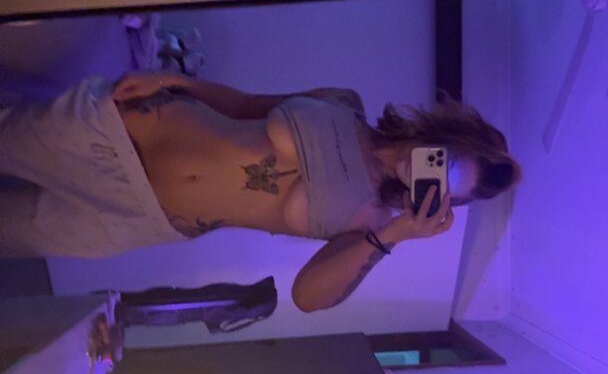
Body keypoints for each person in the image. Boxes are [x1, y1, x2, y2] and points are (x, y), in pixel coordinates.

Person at [0, 70, 521, 312]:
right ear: (440, 137)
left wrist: (398, 233)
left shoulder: (370, 224)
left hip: (138, 217)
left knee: (9, 232)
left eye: (450, 187)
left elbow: (307, 297)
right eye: (448, 163)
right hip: (117, 131)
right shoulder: (343, 102)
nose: (438, 176)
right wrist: (173, 81)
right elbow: (246, 104)